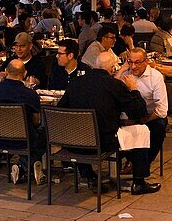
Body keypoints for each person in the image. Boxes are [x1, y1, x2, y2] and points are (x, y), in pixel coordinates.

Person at [58, 52, 155, 195]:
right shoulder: (114, 85)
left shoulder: (75, 82)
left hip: (74, 142)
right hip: (103, 142)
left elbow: (61, 110)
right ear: (112, 68)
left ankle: (89, 176)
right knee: (141, 130)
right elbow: (138, 112)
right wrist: (134, 89)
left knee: (85, 130)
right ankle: (139, 182)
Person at [0, 58, 45, 184]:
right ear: (25, 74)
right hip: (22, 141)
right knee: (45, 132)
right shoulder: (30, 95)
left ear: (5, 71)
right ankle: (25, 166)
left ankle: (22, 167)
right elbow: (36, 121)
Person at [121, 47, 167, 189]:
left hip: (150, 116)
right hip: (127, 117)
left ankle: (140, 167)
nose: (133, 66)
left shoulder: (155, 77)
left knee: (159, 126)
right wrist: (121, 70)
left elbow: (162, 110)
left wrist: (142, 120)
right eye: (130, 62)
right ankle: (134, 164)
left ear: (146, 62)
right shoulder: (126, 74)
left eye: (137, 62)